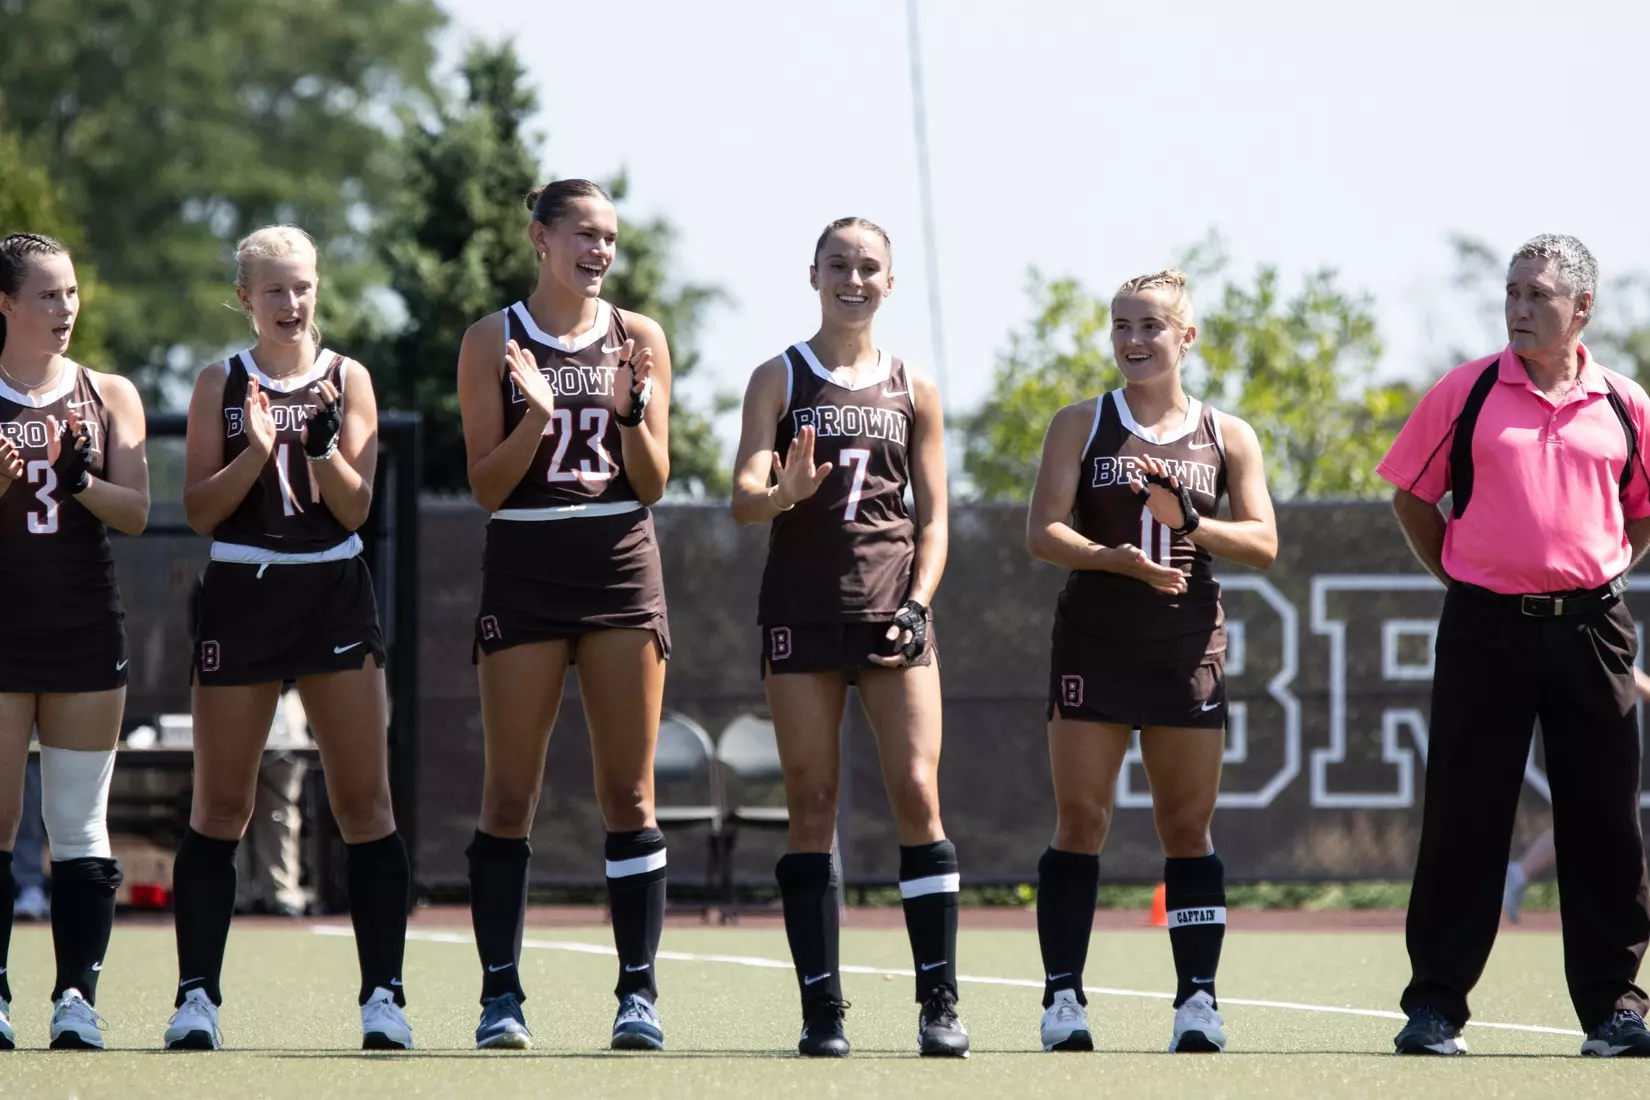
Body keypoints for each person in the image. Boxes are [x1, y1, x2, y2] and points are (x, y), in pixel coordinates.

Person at [1380, 234, 1650, 1058]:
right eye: (1512, 293)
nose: (1519, 308)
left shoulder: (1625, 403)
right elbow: (1415, 501)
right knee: (1465, 815)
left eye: (1537, 295)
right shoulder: (1463, 393)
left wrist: (1593, 574)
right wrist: (1467, 576)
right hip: (1485, 627)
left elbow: (1642, 514)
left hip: (1595, 630)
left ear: (1581, 310)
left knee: (1606, 820)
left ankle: (1615, 1011)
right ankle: (1433, 1009)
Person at [163, 225, 411, 1052]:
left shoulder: (349, 379)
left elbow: (356, 507)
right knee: (223, 804)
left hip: (333, 592)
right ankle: (196, 998)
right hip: (241, 593)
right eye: (273, 289)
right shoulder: (218, 384)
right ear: (245, 298)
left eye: (301, 286)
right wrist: (257, 452)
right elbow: (200, 510)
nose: (290, 303)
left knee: (364, 804)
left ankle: (384, 998)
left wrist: (316, 452)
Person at [730, 217, 968, 1059]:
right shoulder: (777, 375)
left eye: (869, 267)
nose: (854, 279)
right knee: (812, 801)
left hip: (891, 611)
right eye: (840, 264)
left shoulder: (916, 387)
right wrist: (783, 490)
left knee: (916, 789)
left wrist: (920, 599)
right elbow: (744, 496)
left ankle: (939, 1003)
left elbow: (936, 519)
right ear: (814, 274)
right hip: (800, 610)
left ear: (889, 283)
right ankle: (821, 1009)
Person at [1025, 269, 1277, 1054]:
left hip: (1186, 649)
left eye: (1151, 327)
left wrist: (1190, 521)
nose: (1134, 341)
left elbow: (1264, 543)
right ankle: (1063, 999)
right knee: (1082, 820)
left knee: (1185, 827)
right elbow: (1043, 533)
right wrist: (1118, 559)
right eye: (1122, 326)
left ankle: (1196, 1003)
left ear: (1185, 337)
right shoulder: (1079, 423)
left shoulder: (1228, 435)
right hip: (1094, 645)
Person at [456, 179, 674, 1052]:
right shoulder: (490, 338)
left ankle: (637, 995)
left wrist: (627, 413)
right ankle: (501, 999)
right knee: (511, 794)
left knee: (629, 791)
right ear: (539, 238)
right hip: (527, 565)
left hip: (621, 563)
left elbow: (653, 481)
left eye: (611, 238)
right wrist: (537, 421)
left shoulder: (641, 336)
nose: (600, 251)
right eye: (584, 233)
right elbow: (485, 487)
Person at [0, 232, 150, 1050]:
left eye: (72, 293)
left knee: (78, 824)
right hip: (3, 633)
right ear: (6, 304)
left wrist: (82, 477)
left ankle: (75, 1001)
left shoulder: (107, 391)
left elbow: (136, 511)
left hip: (85, 630)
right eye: (48, 295)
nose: (65, 309)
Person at [1504, 668, 1650, 924]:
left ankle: (1517, 875)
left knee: (1592, 824)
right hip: (1596, 737)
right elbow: (1625, 668)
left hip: (1608, 738)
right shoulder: (1600, 639)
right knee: (1589, 822)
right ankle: (1516, 876)